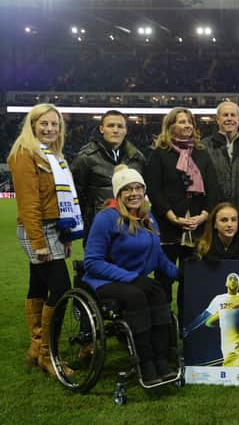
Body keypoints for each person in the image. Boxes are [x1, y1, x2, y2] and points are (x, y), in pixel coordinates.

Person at [83, 165, 179, 385]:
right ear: (118, 193)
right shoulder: (107, 218)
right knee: (137, 295)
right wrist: (132, 278)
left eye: (138, 188)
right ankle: (145, 363)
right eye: (128, 189)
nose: (134, 193)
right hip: (104, 280)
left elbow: (159, 258)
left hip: (136, 281)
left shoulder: (147, 217)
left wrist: (184, 274)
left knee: (158, 291)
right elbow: (92, 262)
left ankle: (160, 359)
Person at [8, 103, 83, 377]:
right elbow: (29, 204)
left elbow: (59, 201)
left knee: (38, 286)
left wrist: (65, 234)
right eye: (44, 123)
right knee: (61, 287)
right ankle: (48, 354)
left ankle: (36, 349)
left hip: (54, 228)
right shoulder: (24, 155)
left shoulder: (53, 156)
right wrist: (39, 241)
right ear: (32, 124)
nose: (50, 128)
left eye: (55, 124)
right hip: (37, 229)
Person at [145, 107, 218, 313]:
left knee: (191, 280)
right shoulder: (159, 154)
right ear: (170, 127)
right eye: (181, 121)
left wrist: (203, 216)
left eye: (189, 122)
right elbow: (155, 190)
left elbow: (213, 189)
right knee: (164, 280)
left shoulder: (202, 154)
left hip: (196, 227)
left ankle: (187, 326)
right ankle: (163, 326)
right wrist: (172, 217)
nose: (187, 125)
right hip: (168, 226)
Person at [71, 110, 145, 243]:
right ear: (101, 129)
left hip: (132, 228)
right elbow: (76, 195)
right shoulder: (85, 158)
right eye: (111, 126)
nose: (115, 130)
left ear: (126, 130)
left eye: (120, 126)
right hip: (99, 229)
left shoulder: (137, 158)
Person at [202, 100, 239, 239]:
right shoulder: (204, 147)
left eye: (233, 115)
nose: (229, 118)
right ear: (218, 119)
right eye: (225, 115)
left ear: (238, 119)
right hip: (212, 217)